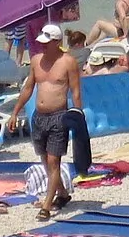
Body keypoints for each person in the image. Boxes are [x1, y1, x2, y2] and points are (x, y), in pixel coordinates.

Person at [8, 22, 83, 221]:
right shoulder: (35, 61)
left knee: (53, 162)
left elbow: (75, 91)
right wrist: (15, 112)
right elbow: (28, 88)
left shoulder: (68, 62)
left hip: (59, 116)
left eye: (47, 42)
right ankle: (63, 194)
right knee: (44, 160)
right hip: (39, 117)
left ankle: (47, 206)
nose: (42, 45)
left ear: (57, 42)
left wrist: (78, 117)